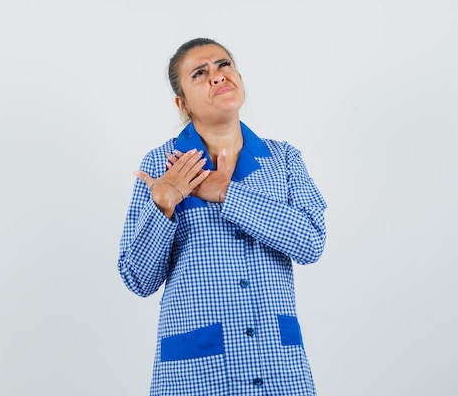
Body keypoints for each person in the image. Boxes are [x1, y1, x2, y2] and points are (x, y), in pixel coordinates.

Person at [118, 37, 327, 396]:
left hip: (278, 367)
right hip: (199, 373)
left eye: (223, 65)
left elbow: (310, 242)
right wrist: (163, 205)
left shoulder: (284, 159)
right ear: (181, 103)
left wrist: (227, 194)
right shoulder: (160, 166)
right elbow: (138, 279)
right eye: (200, 73)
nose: (217, 76)